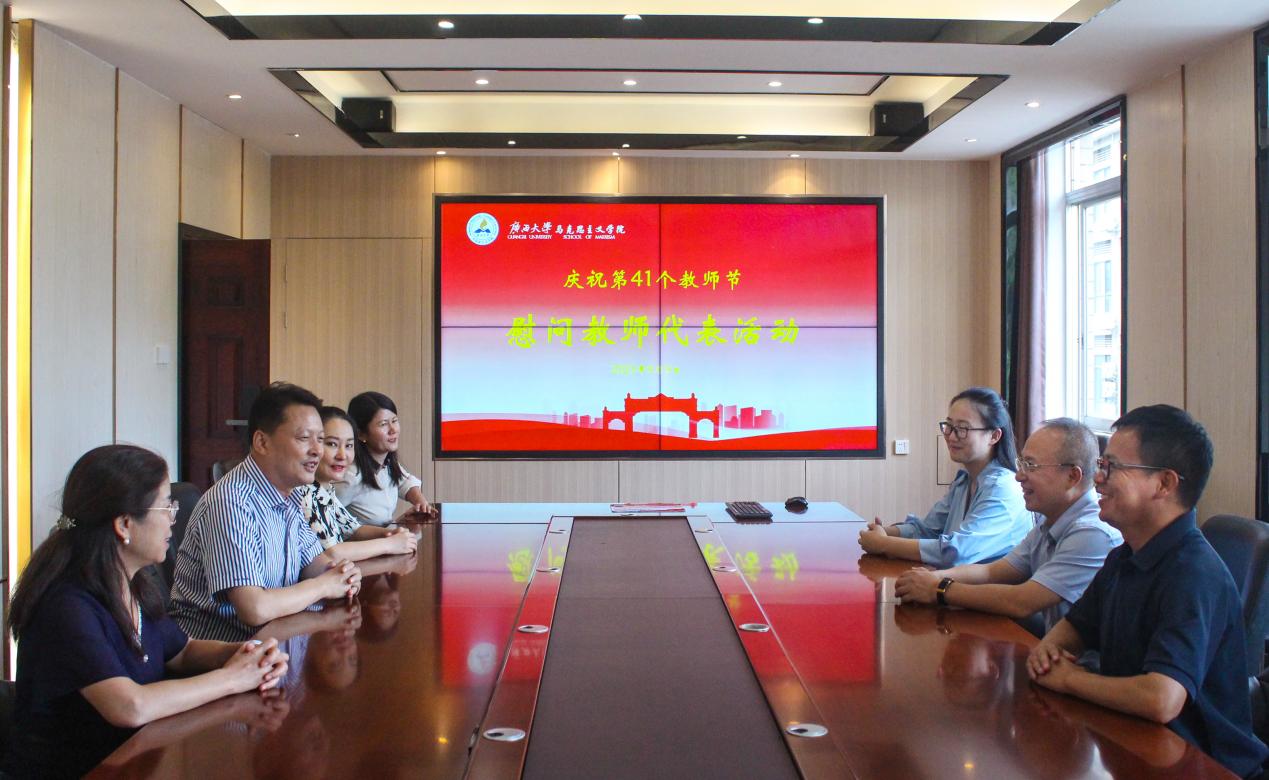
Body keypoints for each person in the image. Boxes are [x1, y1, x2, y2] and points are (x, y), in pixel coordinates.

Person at [2, 445, 289, 778]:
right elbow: (129, 706)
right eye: (166, 506)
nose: (173, 519)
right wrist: (233, 679)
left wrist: (246, 654)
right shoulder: (67, 605)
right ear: (124, 524)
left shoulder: (133, 582)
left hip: (134, 761)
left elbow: (182, 651)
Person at [1027, 405, 1269, 778]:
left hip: (1204, 765)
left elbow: (1160, 699)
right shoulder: (1125, 555)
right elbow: (1077, 626)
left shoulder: (1194, 574)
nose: (1098, 478)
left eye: (1111, 467)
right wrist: (1050, 650)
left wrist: (1068, 678)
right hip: (1135, 745)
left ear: (1164, 484)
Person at [171, 382, 362, 642]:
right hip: (222, 653)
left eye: (320, 439)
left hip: (276, 639)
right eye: (304, 438)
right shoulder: (232, 502)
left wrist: (341, 573)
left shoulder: (291, 493)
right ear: (262, 442)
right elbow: (254, 609)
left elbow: (315, 563)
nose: (317, 450)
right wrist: (324, 585)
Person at [895, 418, 1121, 634]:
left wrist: (939, 589)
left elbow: (1021, 601)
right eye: (1021, 464)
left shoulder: (1092, 532)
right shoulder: (1051, 518)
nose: (1019, 476)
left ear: (1072, 476)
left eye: (1031, 465)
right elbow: (993, 571)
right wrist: (933, 578)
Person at [859, 387, 1030, 566]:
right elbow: (929, 530)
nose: (951, 437)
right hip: (954, 580)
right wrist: (882, 532)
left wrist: (884, 544)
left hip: (991, 583)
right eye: (949, 426)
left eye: (962, 428)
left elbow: (957, 551)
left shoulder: (1002, 488)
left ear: (994, 436)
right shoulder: (964, 480)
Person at [294, 406, 418, 561]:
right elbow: (331, 553)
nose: (342, 455)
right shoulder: (304, 492)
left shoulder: (325, 488)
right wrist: (389, 544)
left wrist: (391, 534)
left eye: (349, 446)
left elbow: (353, 529)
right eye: (332, 444)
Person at [334, 391, 434, 526]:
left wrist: (420, 503)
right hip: (368, 540)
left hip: (385, 537)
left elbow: (404, 481)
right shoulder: (350, 477)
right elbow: (327, 522)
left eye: (394, 421)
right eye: (383, 424)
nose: (393, 430)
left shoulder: (386, 462)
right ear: (361, 434)